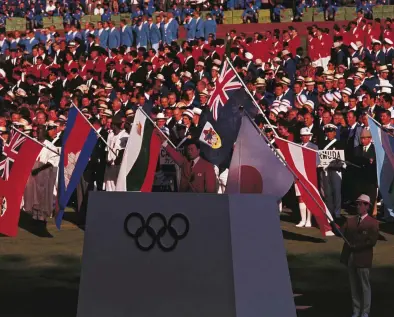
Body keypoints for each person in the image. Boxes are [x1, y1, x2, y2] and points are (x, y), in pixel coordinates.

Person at [340, 194, 379, 317]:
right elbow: (341, 232)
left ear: (367, 206)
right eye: (357, 203)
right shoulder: (350, 221)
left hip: (363, 258)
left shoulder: (373, 223)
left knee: (364, 286)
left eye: (361, 204)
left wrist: (356, 246)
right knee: (354, 285)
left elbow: (371, 241)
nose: (358, 206)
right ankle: (356, 310)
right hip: (351, 257)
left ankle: (365, 311)